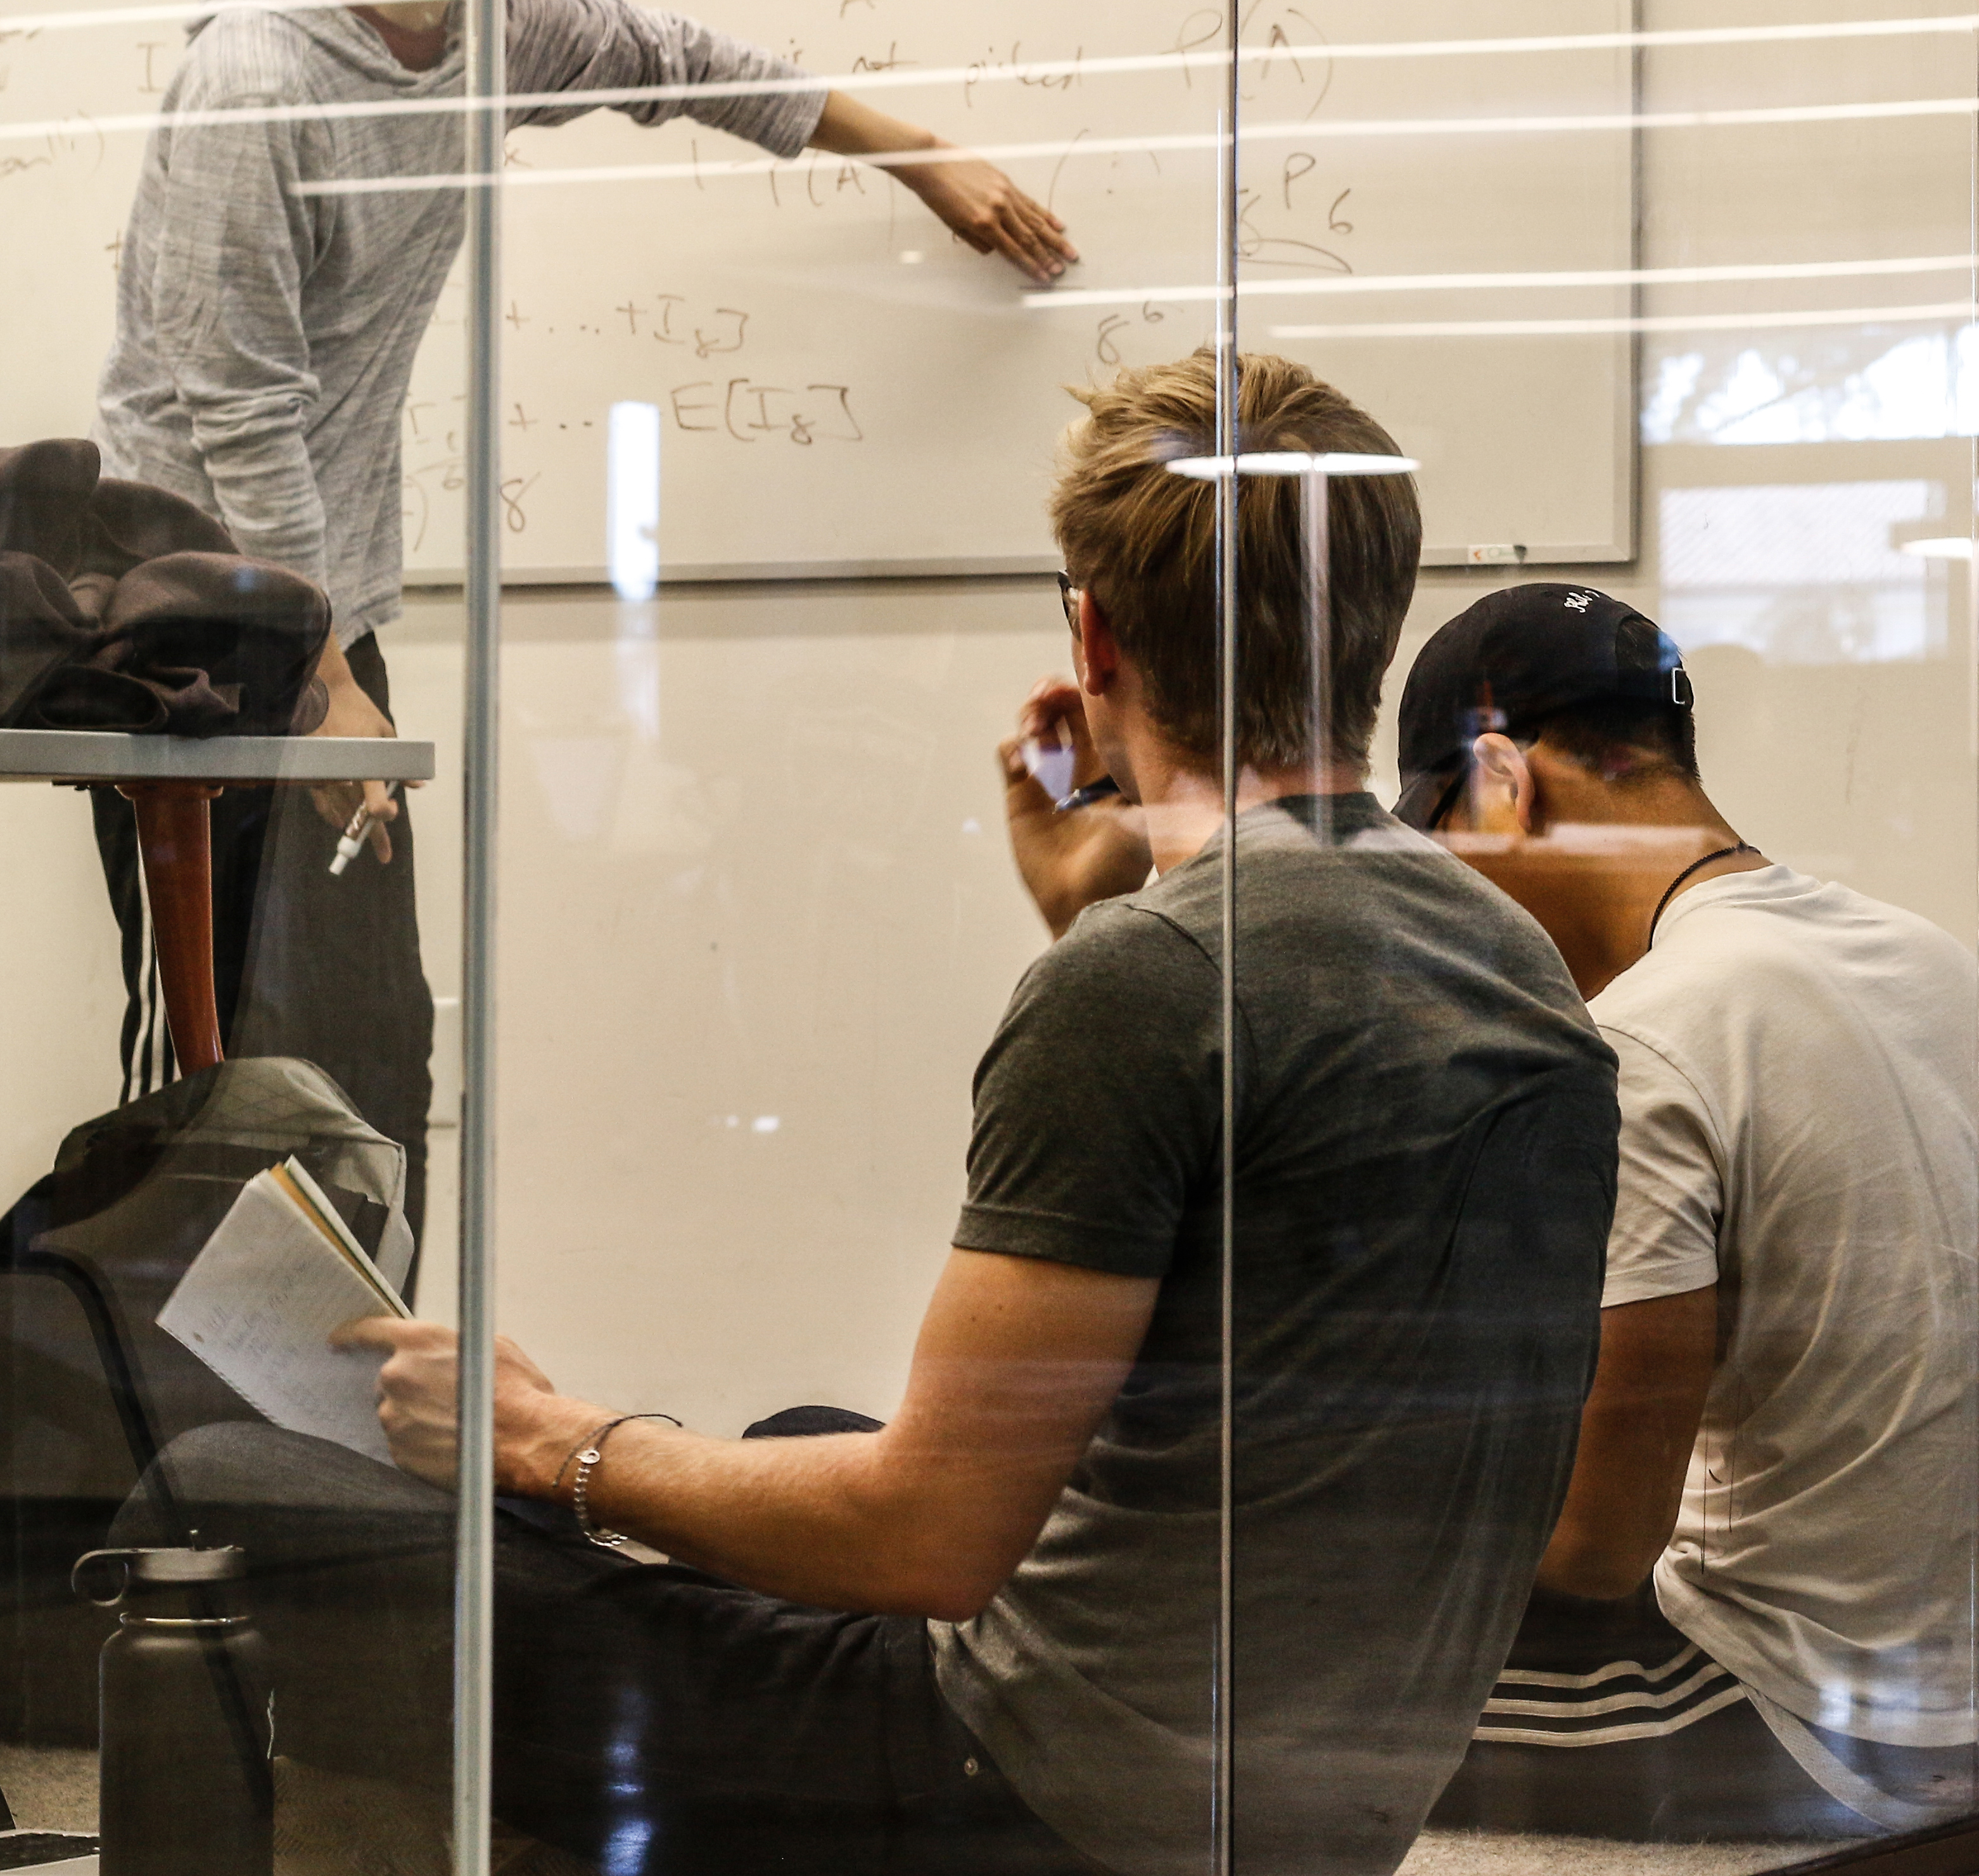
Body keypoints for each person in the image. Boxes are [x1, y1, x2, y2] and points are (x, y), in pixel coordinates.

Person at [118, 352, 1622, 1876]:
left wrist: (551, 1439)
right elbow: (1257, 1220)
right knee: (783, 1440)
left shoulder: (1157, 977)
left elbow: (927, 1542)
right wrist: (1094, 905)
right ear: (1380, 627)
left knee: (242, 1487)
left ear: (1093, 633)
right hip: (1313, 1789)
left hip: (1041, 1800)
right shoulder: (1505, 957)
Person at [88, 0, 1076, 1254]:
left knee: (373, 1054)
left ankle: (353, 1412)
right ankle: (244, 1436)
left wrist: (922, 155)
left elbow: (677, 62)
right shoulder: (254, 79)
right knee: (251, 1078)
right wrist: (323, 681)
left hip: (319, 621)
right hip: (203, 641)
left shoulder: (483, 28)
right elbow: (234, 405)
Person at [1395, 585, 1979, 1842]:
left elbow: (1600, 1547)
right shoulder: (1948, 967)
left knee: (1243, 1691)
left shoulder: (1651, 1033)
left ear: (1502, 780)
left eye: (1445, 844)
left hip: (1815, 1731)